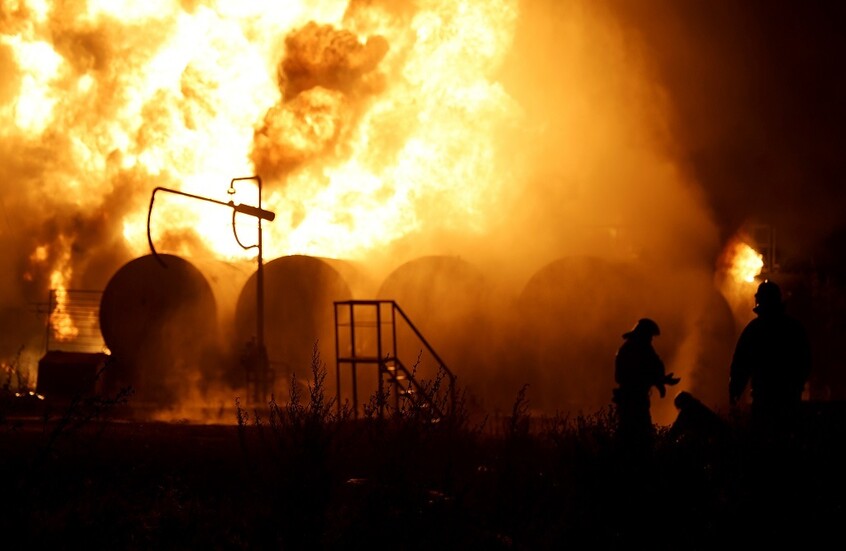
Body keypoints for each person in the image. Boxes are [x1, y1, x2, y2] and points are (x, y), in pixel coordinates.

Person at [729, 280, 812, 433]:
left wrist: (735, 391)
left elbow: (740, 364)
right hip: (789, 399)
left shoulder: (754, 330)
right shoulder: (793, 328)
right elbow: (805, 360)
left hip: (764, 399)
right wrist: (796, 384)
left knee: (763, 443)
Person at [612, 318, 680, 449]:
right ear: (643, 334)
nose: (651, 340)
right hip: (631, 401)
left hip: (638, 399)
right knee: (636, 438)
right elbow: (629, 377)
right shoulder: (631, 350)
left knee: (638, 437)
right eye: (649, 336)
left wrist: (660, 380)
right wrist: (657, 380)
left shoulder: (641, 349)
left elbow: (652, 368)